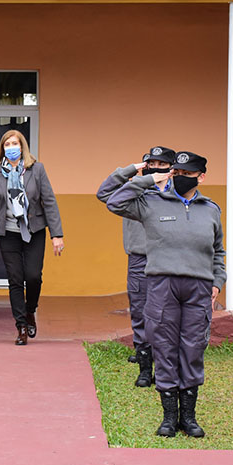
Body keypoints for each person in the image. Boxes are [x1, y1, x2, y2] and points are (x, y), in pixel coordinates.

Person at [106, 151, 225, 438]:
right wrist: (146, 178)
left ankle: (189, 417)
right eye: (177, 172)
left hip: (198, 286)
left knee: (193, 347)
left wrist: (218, 281)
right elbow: (112, 199)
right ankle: (169, 417)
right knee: (165, 346)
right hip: (162, 284)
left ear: (201, 176)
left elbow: (218, 251)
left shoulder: (211, 209)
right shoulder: (150, 202)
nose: (181, 178)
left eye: (187, 174)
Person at [97, 146, 175, 384]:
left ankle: (164, 364)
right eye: (151, 164)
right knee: (140, 312)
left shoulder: (176, 193)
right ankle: (144, 366)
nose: (156, 169)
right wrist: (132, 170)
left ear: (172, 169)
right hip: (139, 260)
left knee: (166, 314)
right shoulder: (132, 192)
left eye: (162, 165)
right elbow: (103, 193)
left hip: (168, 260)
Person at [0, 130, 63, 345]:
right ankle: (21, 326)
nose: (11, 147)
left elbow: (49, 201)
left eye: (15, 143)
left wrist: (57, 235)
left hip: (34, 230)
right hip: (8, 233)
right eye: (7, 144)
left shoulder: (36, 169)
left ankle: (30, 311)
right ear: (2, 148)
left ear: (22, 146)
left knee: (34, 276)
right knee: (15, 279)